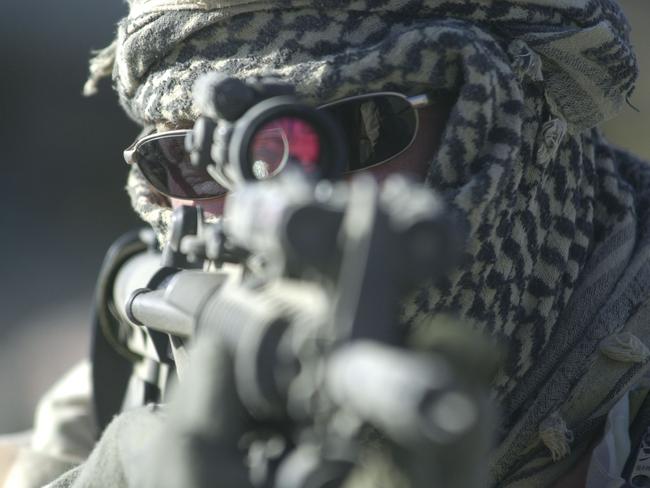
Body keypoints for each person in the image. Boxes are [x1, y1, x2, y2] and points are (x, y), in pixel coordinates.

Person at [5, 0, 650, 486]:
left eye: (349, 129)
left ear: (514, 125)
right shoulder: (124, 384)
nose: (239, 206)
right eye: (187, 160)